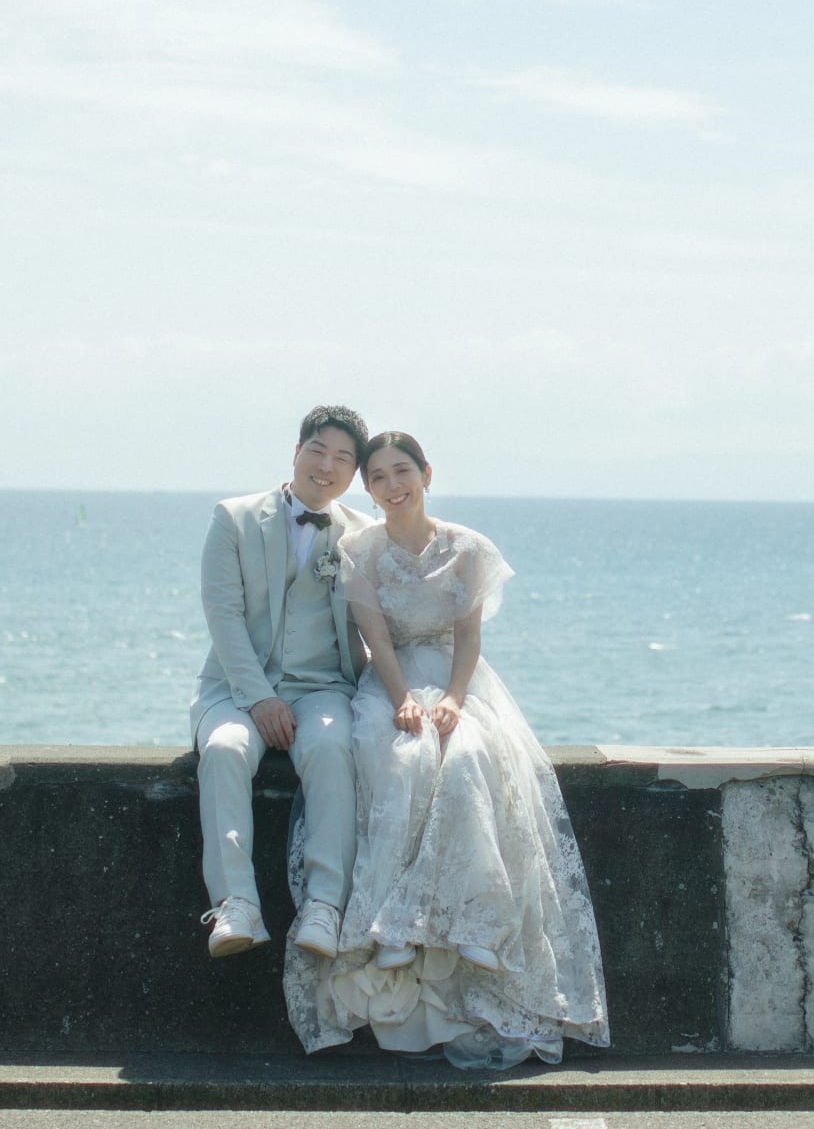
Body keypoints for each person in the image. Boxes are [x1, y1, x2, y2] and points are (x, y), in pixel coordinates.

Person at [287, 430, 608, 1067]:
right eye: (378, 477)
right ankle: (393, 928)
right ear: (368, 489)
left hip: (459, 678)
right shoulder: (359, 551)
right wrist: (403, 699)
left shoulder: (467, 547)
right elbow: (377, 640)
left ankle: (478, 924)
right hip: (392, 679)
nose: (392, 486)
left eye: (401, 471)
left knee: (466, 759)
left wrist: (455, 700)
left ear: (426, 474)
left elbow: (468, 637)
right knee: (401, 758)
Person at [192, 405, 373, 960]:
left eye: (342, 458)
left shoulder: (364, 536)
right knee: (223, 749)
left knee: (333, 748)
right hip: (236, 685)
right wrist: (260, 698)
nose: (327, 466)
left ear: (354, 472)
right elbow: (223, 616)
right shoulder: (234, 518)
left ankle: (325, 905)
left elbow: (379, 625)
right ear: (296, 452)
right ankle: (236, 904)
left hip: (324, 687)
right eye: (317, 451)